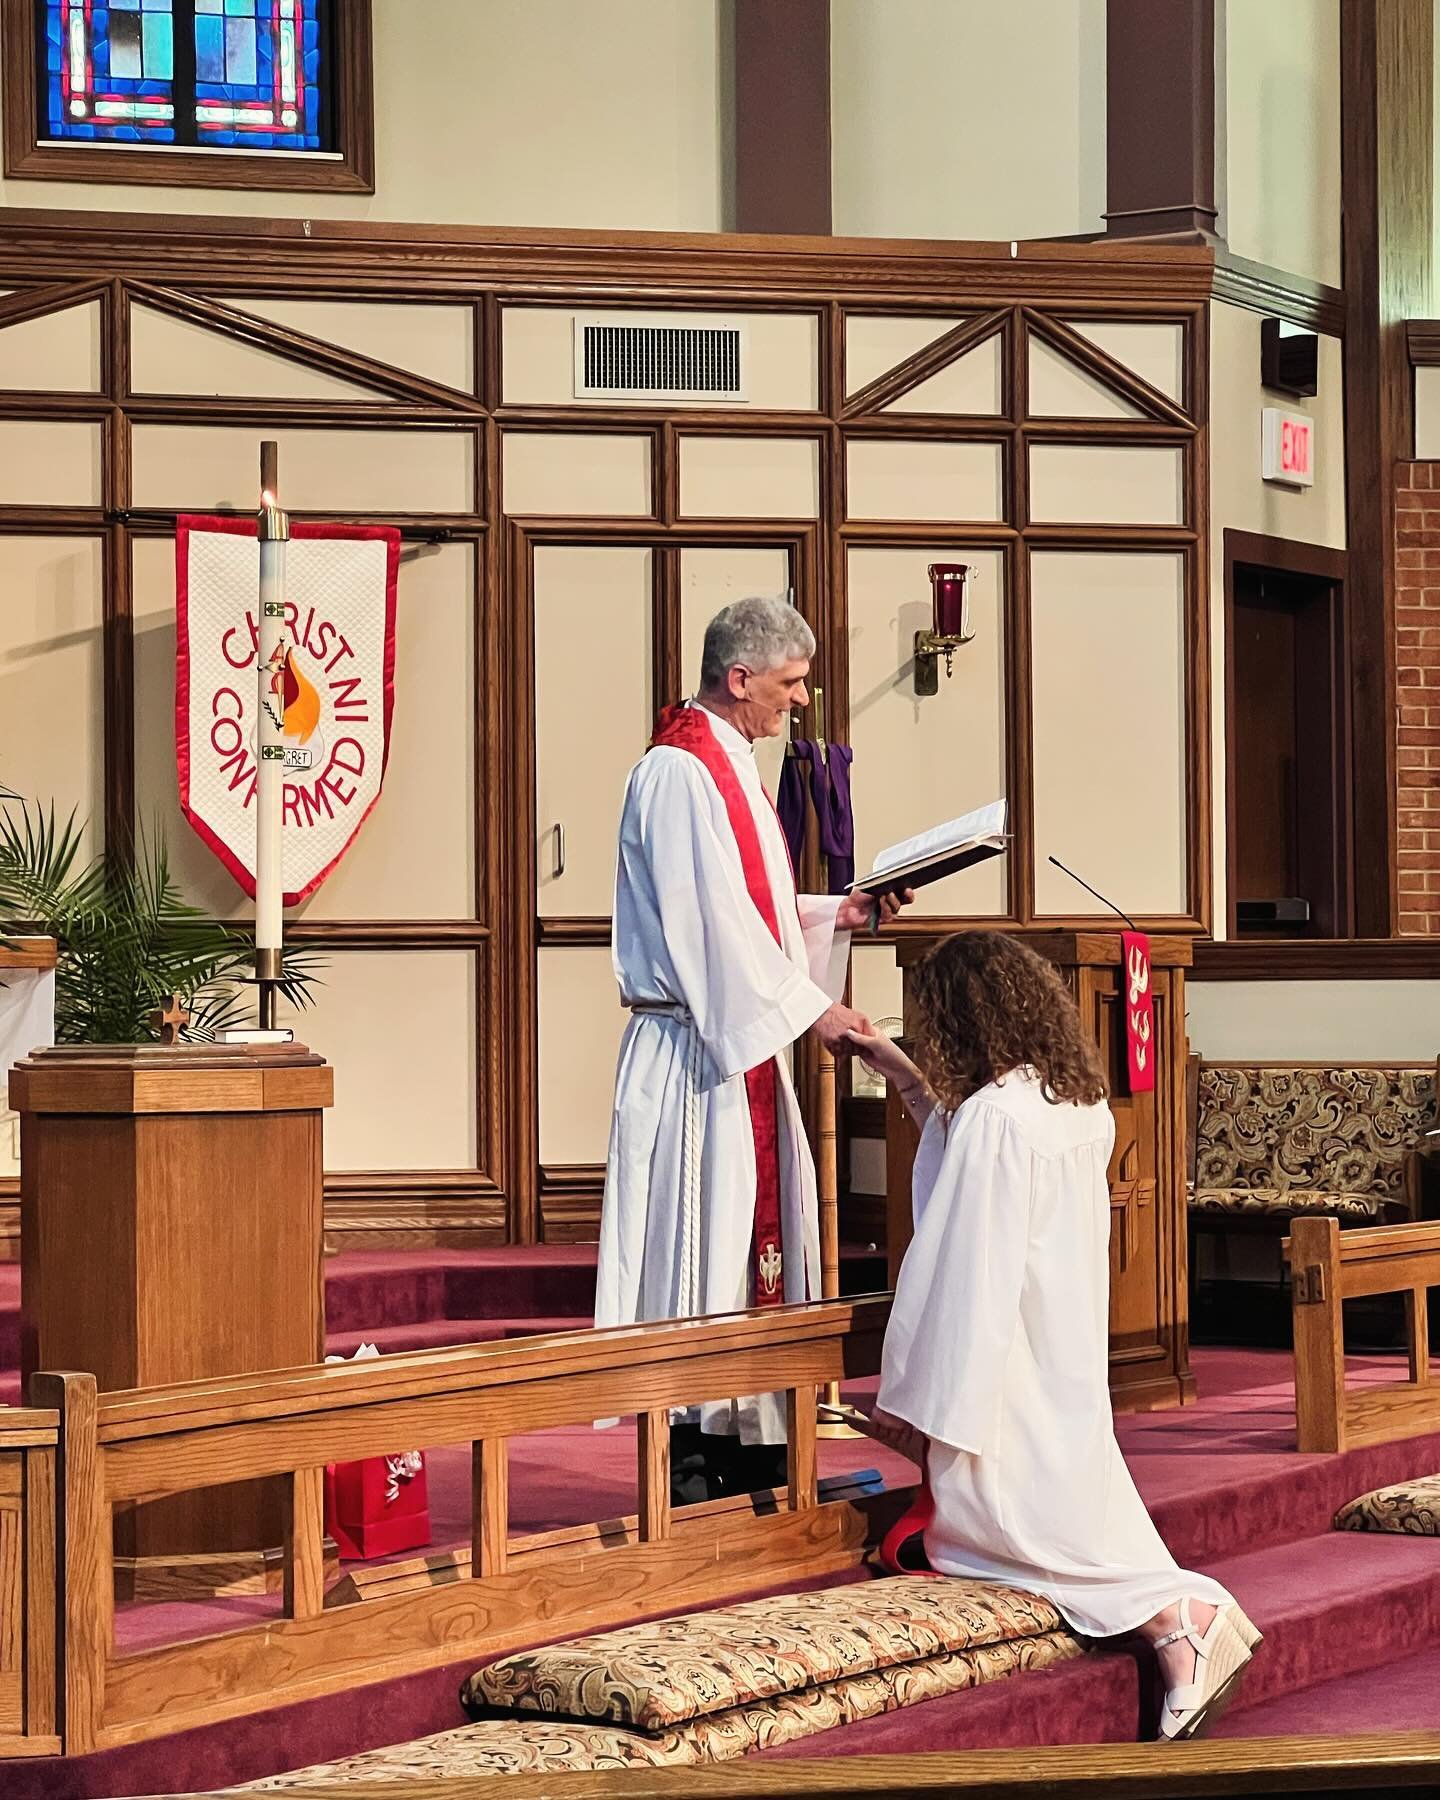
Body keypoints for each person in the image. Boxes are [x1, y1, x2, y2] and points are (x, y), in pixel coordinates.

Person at [848, 932, 1261, 1741]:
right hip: (1059, 1349)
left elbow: (963, 1263)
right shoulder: (1069, 1103)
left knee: (1004, 1537)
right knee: (1075, 1512)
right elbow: (970, 1151)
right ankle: (1186, 1620)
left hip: (1001, 1359)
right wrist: (902, 1075)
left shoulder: (997, 1120)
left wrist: (926, 1399)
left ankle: (1180, 1622)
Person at [594, 596, 910, 1506]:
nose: (801, 700)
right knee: (705, 1251)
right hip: (697, 1054)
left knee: (744, 1249)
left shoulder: (728, 762)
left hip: (734, 1047)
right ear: (740, 679)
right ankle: (695, 1464)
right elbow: (709, 931)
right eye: (790, 682)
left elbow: (752, 911)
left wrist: (835, 915)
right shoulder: (680, 773)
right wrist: (816, 1011)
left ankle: (756, 1459)